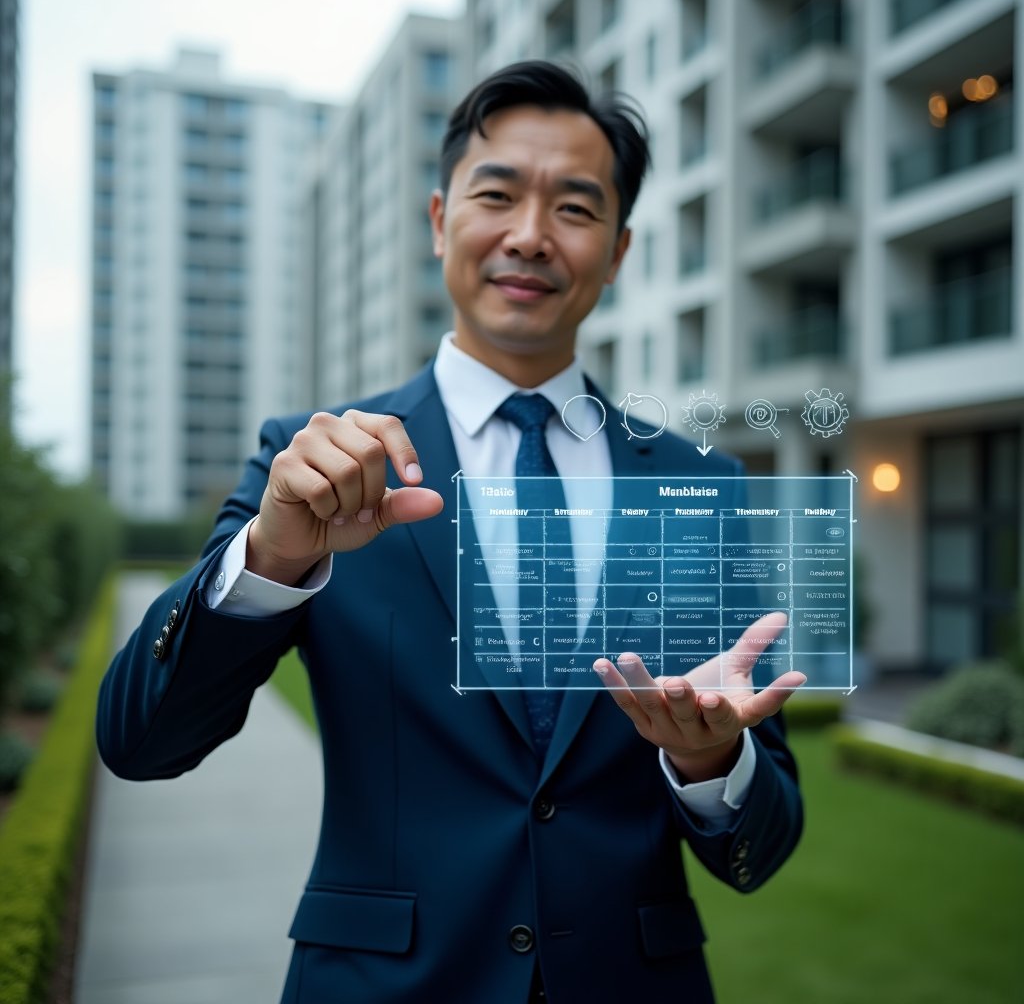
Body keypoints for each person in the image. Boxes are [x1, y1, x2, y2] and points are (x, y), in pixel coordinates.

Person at [98, 60, 804, 1004]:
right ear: (440, 221)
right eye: (497, 194)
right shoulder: (310, 464)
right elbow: (141, 744)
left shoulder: (697, 486)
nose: (529, 235)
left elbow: (764, 846)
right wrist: (273, 557)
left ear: (620, 249)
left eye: (576, 209)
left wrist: (711, 757)